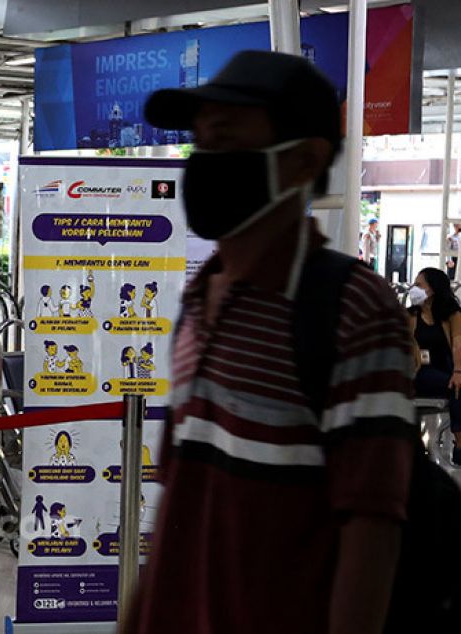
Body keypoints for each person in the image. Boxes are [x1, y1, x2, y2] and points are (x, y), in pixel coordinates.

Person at [124, 51, 415, 634]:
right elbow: (180, 508)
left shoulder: (352, 310)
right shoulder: (198, 299)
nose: (204, 163)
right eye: (199, 143)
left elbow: (371, 530)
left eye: (226, 143)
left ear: (304, 161)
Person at [408, 267, 461, 469]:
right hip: (421, 370)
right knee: (459, 386)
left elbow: (458, 346)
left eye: (419, 285)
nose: (413, 289)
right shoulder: (408, 316)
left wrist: (458, 371)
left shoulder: (453, 314)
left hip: (451, 365)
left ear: (433, 289)